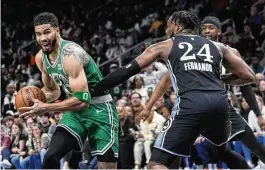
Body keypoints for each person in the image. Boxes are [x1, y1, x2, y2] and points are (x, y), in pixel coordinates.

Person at [91, 11, 255, 169]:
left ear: (177, 27)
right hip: (220, 107)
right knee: (223, 152)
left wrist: (95, 90)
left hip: (190, 105)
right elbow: (249, 76)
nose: (165, 30)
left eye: (168, 26)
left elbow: (127, 71)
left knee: (156, 163)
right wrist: (220, 78)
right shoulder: (217, 46)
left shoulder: (166, 45)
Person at [18, 12, 119, 169]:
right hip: (74, 112)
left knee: (106, 167)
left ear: (57, 31)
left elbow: (83, 101)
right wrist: (34, 103)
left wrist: (45, 108)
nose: (42, 38)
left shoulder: (71, 54)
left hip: (100, 109)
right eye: (38, 34)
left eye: (47, 32)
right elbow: (53, 91)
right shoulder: (40, 58)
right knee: (51, 156)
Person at [201, 16, 265, 165]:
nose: (206, 31)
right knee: (221, 154)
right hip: (203, 110)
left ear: (219, 30)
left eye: (210, 27)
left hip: (224, 108)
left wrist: (258, 114)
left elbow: (246, 84)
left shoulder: (231, 52)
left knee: (255, 146)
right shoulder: (195, 53)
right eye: (203, 28)